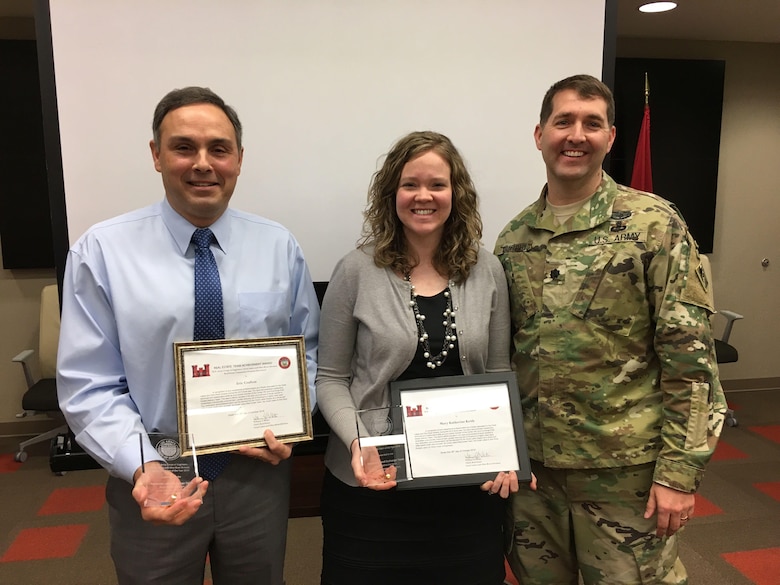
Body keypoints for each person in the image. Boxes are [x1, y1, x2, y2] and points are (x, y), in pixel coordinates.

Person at [56, 86, 319, 585]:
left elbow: (306, 350)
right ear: (156, 155)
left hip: (255, 472)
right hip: (155, 469)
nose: (203, 163)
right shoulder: (101, 252)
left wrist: (287, 421)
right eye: (184, 147)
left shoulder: (278, 246)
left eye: (219, 149)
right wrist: (142, 465)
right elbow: (87, 383)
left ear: (238, 159)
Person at [495, 74, 727, 585]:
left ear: (611, 138)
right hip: (535, 478)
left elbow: (690, 363)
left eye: (591, 123)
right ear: (539, 134)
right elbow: (504, 358)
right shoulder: (513, 239)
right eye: (563, 122)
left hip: (625, 476)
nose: (576, 135)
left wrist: (678, 474)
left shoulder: (653, 224)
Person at [316, 130, 529, 585]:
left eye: (437, 184)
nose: (423, 196)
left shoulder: (487, 269)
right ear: (392, 192)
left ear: (457, 193)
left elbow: (497, 373)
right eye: (410, 184)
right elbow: (330, 377)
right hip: (371, 484)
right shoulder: (355, 270)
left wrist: (505, 451)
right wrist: (360, 443)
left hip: (465, 486)